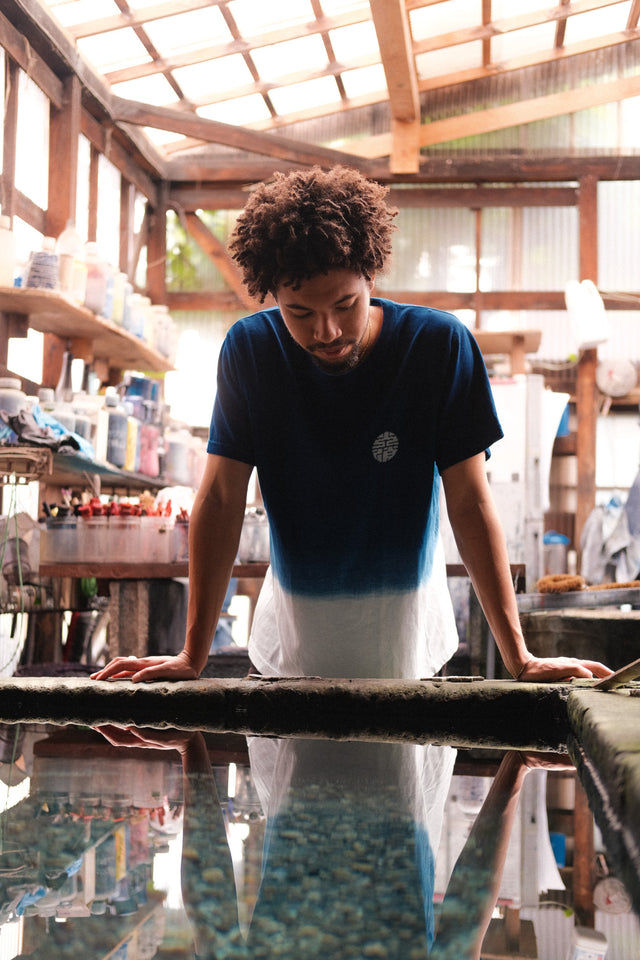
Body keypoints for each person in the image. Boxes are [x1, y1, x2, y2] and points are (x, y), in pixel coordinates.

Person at [92, 166, 611, 685]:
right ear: (271, 294)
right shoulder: (250, 350)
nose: (327, 332)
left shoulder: (437, 347)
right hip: (292, 640)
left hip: (406, 639)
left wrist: (520, 658)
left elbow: (471, 502)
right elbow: (221, 499)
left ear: (371, 274)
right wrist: (191, 655)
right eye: (299, 313)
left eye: (346, 305)